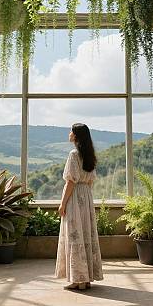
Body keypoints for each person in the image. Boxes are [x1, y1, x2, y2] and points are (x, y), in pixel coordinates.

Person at [55, 123, 103, 290]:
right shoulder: (89, 155)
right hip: (87, 197)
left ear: (76, 136)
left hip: (75, 196)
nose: (69, 134)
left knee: (74, 235)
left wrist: (63, 204)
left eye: (71, 131)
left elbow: (70, 181)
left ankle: (78, 280)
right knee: (85, 234)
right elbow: (90, 181)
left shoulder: (73, 154)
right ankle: (86, 278)